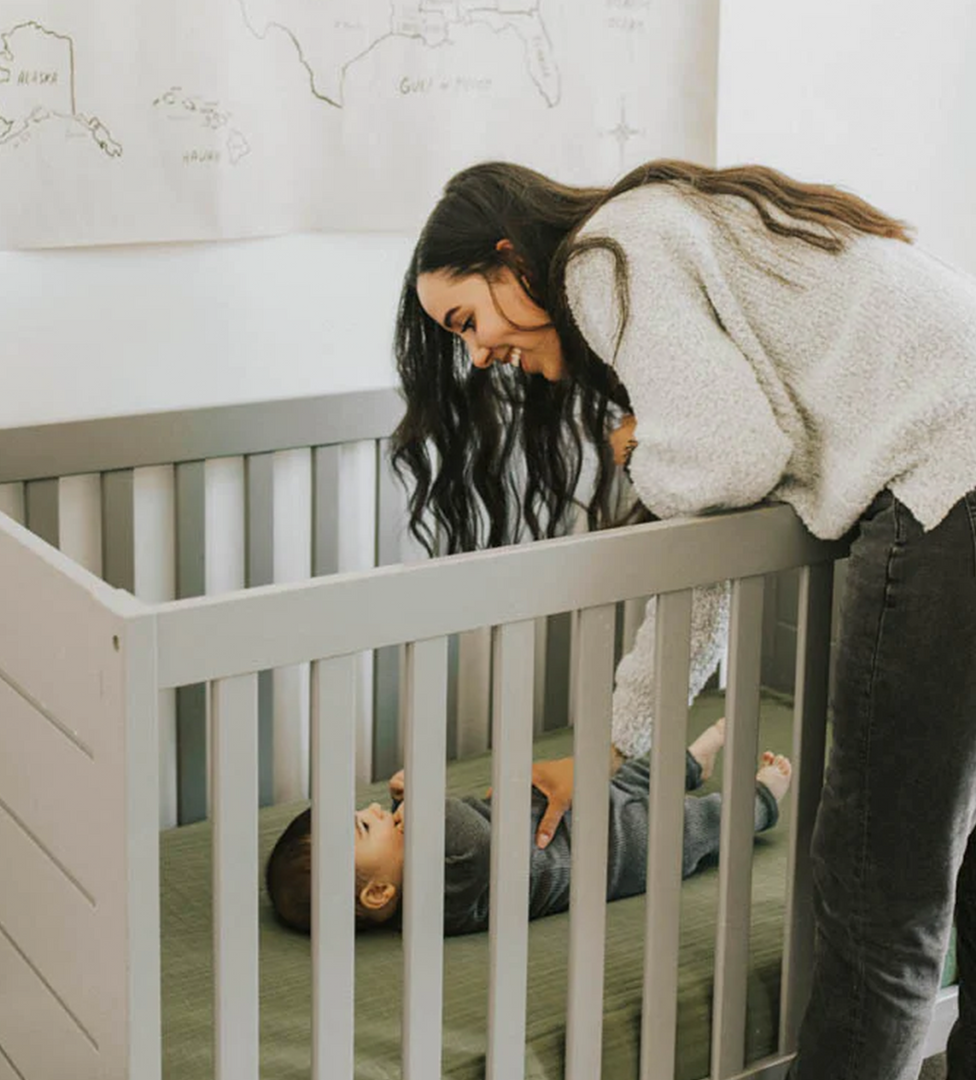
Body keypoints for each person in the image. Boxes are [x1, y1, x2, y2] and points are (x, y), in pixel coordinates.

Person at [390, 159, 976, 1078]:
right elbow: (705, 557)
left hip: (948, 483)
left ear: (511, 261)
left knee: (880, 892)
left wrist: (638, 456)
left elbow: (731, 460)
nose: (478, 355)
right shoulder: (667, 233)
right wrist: (612, 746)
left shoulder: (605, 258)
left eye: (467, 320)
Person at [266, 720, 791, 936]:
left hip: (563, 815)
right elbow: (478, 846)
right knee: (684, 828)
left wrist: (405, 806)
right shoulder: (434, 905)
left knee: (629, 779)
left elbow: (440, 833)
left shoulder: (409, 860)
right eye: (365, 826)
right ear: (379, 892)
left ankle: (691, 761)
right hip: (611, 853)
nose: (375, 810)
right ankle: (761, 801)